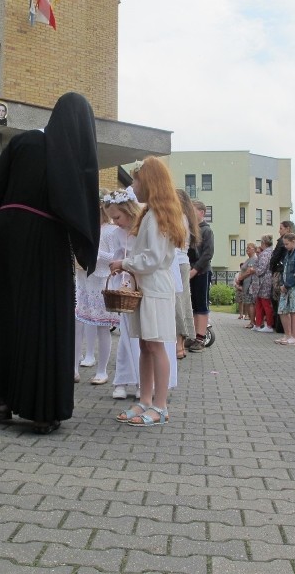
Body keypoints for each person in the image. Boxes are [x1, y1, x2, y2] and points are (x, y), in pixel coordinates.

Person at [0, 92, 101, 435]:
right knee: (45, 318)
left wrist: (0, 222)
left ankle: (1, 401)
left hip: (5, 234)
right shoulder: (73, 157)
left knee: (4, 317)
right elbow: (80, 208)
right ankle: (43, 411)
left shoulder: (24, 141)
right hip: (46, 239)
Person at [110, 157, 186, 427]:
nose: (133, 185)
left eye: (137, 179)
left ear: (150, 182)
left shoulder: (155, 217)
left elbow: (152, 258)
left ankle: (160, 405)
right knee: (145, 344)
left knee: (155, 346)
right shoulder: (152, 214)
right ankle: (145, 400)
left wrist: (124, 264)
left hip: (154, 289)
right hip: (147, 287)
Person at [74, 193, 120, 384]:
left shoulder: (111, 231)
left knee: (102, 325)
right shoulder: (84, 228)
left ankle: (102, 371)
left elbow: (115, 257)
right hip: (84, 280)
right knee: (78, 323)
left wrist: (93, 251)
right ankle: (73, 368)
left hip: (101, 283)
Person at [103, 189, 143, 399]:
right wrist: (116, 267)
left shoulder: (143, 229)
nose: (115, 222)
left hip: (142, 284)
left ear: (128, 210)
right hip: (126, 286)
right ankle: (122, 379)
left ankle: (141, 381)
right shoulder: (117, 233)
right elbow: (118, 255)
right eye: (112, 218)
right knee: (126, 336)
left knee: (141, 338)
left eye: (117, 217)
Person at [186, 200, 214, 352]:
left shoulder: (206, 231)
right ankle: (192, 336)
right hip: (190, 271)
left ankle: (200, 338)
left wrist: (194, 270)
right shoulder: (190, 229)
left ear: (202, 213)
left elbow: (207, 254)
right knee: (192, 305)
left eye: (193, 210)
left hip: (201, 272)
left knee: (201, 306)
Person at [174, 189, 198, 358]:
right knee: (182, 301)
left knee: (177, 303)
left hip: (177, 263)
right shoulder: (187, 219)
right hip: (182, 262)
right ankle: (180, 344)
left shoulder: (179, 218)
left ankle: (179, 344)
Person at [275, 233, 295, 346]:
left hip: (294, 286)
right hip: (286, 285)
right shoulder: (288, 254)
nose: (285, 246)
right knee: (282, 310)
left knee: (294, 310)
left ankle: (294, 337)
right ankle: (287, 335)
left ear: (294, 241)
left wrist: (287, 285)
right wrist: (282, 284)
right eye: (284, 244)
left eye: (287, 244)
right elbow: (284, 270)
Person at [251, 234, 275, 332]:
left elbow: (261, 269)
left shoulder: (266, 254)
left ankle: (269, 325)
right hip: (262, 281)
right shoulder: (268, 252)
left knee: (265, 303)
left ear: (263, 243)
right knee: (260, 303)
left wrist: (254, 270)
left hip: (264, 281)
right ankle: (258, 324)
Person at [237, 242, 258, 328]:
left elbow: (250, 271)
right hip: (246, 284)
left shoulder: (254, 259)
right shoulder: (248, 259)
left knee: (250, 303)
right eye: (247, 248)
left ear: (254, 249)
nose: (247, 250)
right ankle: (251, 321)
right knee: (248, 303)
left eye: (249, 248)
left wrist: (241, 277)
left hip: (250, 284)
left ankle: (252, 322)